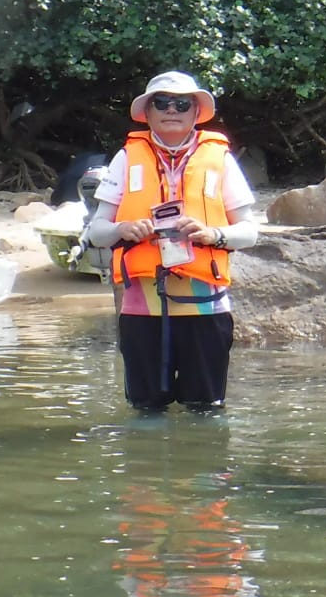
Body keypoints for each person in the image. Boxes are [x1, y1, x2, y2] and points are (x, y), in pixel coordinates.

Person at [81, 72, 260, 411]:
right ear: (147, 112)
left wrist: (214, 234)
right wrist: (123, 228)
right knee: (146, 410)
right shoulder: (126, 158)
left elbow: (249, 232)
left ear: (196, 112)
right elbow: (97, 231)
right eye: (161, 102)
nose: (172, 110)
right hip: (142, 309)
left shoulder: (219, 158)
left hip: (205, 308)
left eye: (182, 103)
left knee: (206, 410)